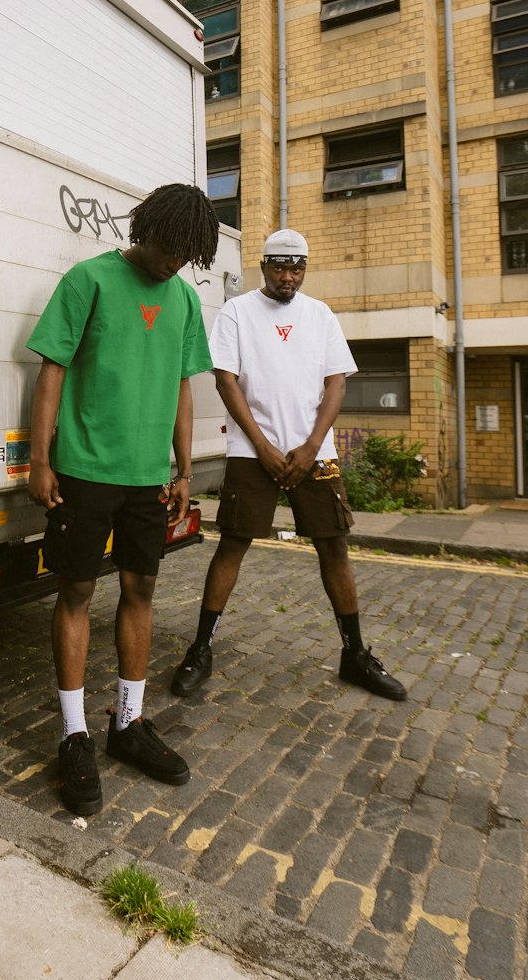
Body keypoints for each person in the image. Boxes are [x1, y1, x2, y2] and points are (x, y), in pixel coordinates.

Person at [27, 183, 218, 816]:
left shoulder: (186, 298)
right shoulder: (90, 280)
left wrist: (185, 467)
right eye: (168, 247)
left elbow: (184, 389)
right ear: (145, 229)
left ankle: (128, 724)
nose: (173, 262)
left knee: (141, 591)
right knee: (77, 592)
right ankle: (74, 734)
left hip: (148, 478)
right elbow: (51, 369)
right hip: (85, 470)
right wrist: (41, 458)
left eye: (186, 255)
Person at [171, 227, 406, 704]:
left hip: (314, 455)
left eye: (298, 267)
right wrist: (263, 446)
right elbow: (226, 381)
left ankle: (354, 654)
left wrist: (312, 444)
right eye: (280, 266)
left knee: (334, 547)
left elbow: (336, 384)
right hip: (252, 453)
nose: (289, 276)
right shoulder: (238, 311)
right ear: (264, 266)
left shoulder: (319, 314)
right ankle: (201, 649)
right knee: (232, 545)